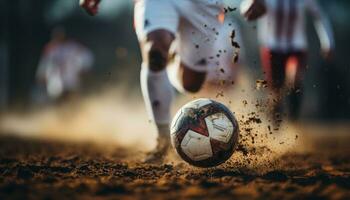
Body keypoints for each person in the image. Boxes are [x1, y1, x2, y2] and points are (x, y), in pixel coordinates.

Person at [80, 0, 240, 163]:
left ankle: (172, 56)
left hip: (203, 5)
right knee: (155, 54)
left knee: (191, 84)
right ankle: (163, 139)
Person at [242, 0, 334, 126]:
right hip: (272, 47)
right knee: (275, 92)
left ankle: (293, 122)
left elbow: (319, 15)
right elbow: (245, 10)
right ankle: (275, 128)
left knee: (295, 78)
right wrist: (250, 6)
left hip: (296, 46)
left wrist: (327, 42)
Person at [36, 27, 94, 103]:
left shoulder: (72, 47)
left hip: (71, 81)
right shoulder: (50, 49)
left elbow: (87, 55)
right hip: (56, 83)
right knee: (59, 104)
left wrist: (84, 68)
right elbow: (45, 64)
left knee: (73, 103)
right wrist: (41, 75)